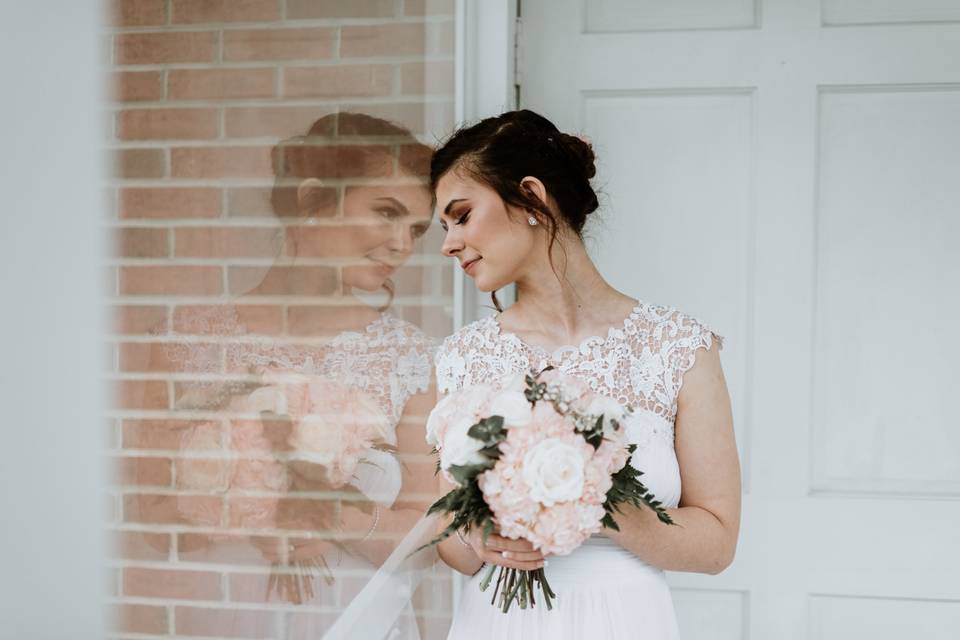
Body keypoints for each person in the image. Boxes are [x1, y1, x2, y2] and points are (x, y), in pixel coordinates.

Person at [128, 112, 444, 639]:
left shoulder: (411, 359)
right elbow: (153, 519)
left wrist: (329, 514)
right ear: (312, 198)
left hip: (354, 619)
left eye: (415, 228)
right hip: (227, 616)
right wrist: (244, 503)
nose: (402, 244)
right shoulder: (184, 342)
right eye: (386, 213)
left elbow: (434, 537)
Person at [429, 109, 741, 638]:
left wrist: (590, 496)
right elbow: (449, 541)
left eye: (461, 215)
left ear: (530, 197)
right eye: (444, 227)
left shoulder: (680, 349)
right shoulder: (465, 357)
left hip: (624, 622)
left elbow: (716, 545)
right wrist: (481, 538)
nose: (448, 243)